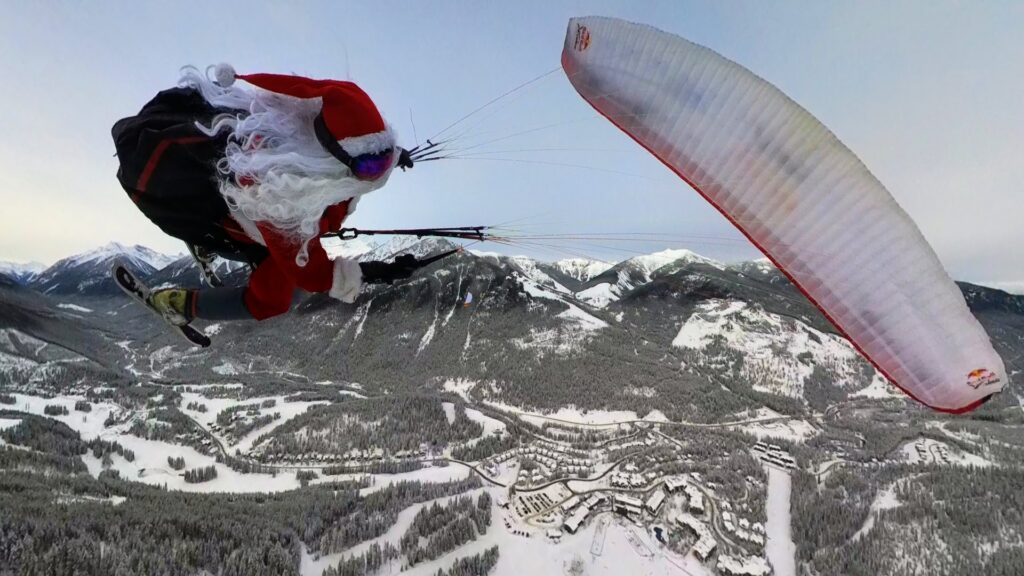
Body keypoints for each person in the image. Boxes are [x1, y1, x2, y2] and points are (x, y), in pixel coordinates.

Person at [112, 64, 419, 326]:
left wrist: (389, 155)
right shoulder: (277, 195)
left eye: (386, 155)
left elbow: (357, 144)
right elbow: (312, 274)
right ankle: (180, 304)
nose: (378, 173)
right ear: (330, 161)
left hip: (210, 173)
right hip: (205, 200)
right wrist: (370, 273)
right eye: (370, 167)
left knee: (330, 205)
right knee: (274, 299)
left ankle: (209, 242)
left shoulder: (304, 128)